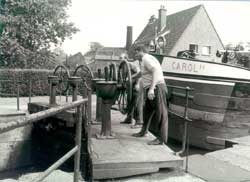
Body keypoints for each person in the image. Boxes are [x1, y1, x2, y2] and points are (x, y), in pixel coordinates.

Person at [132, 44, 169, 145]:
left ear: (140, 51)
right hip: (151, 88)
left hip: (157, 88)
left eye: (136, 52)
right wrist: (131, 77)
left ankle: (161, 139)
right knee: (147, 111)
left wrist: (152, 89)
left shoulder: (146, 59)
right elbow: (142, 73)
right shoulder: (144, 60)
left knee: (161, 114)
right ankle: (143, 131)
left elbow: (155, 71)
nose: (135, 55)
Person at [119, 53, 144, 128]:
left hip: (136, 86)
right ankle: (129, 118)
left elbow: (140, 73)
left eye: (121, 58)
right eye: (119, 58)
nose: (120, 60)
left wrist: (137, 84)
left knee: (137, 103)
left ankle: (139, 122)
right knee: (130, 102)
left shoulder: (130, 64)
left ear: (126, 58)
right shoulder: (122, 67)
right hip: (130, 87)